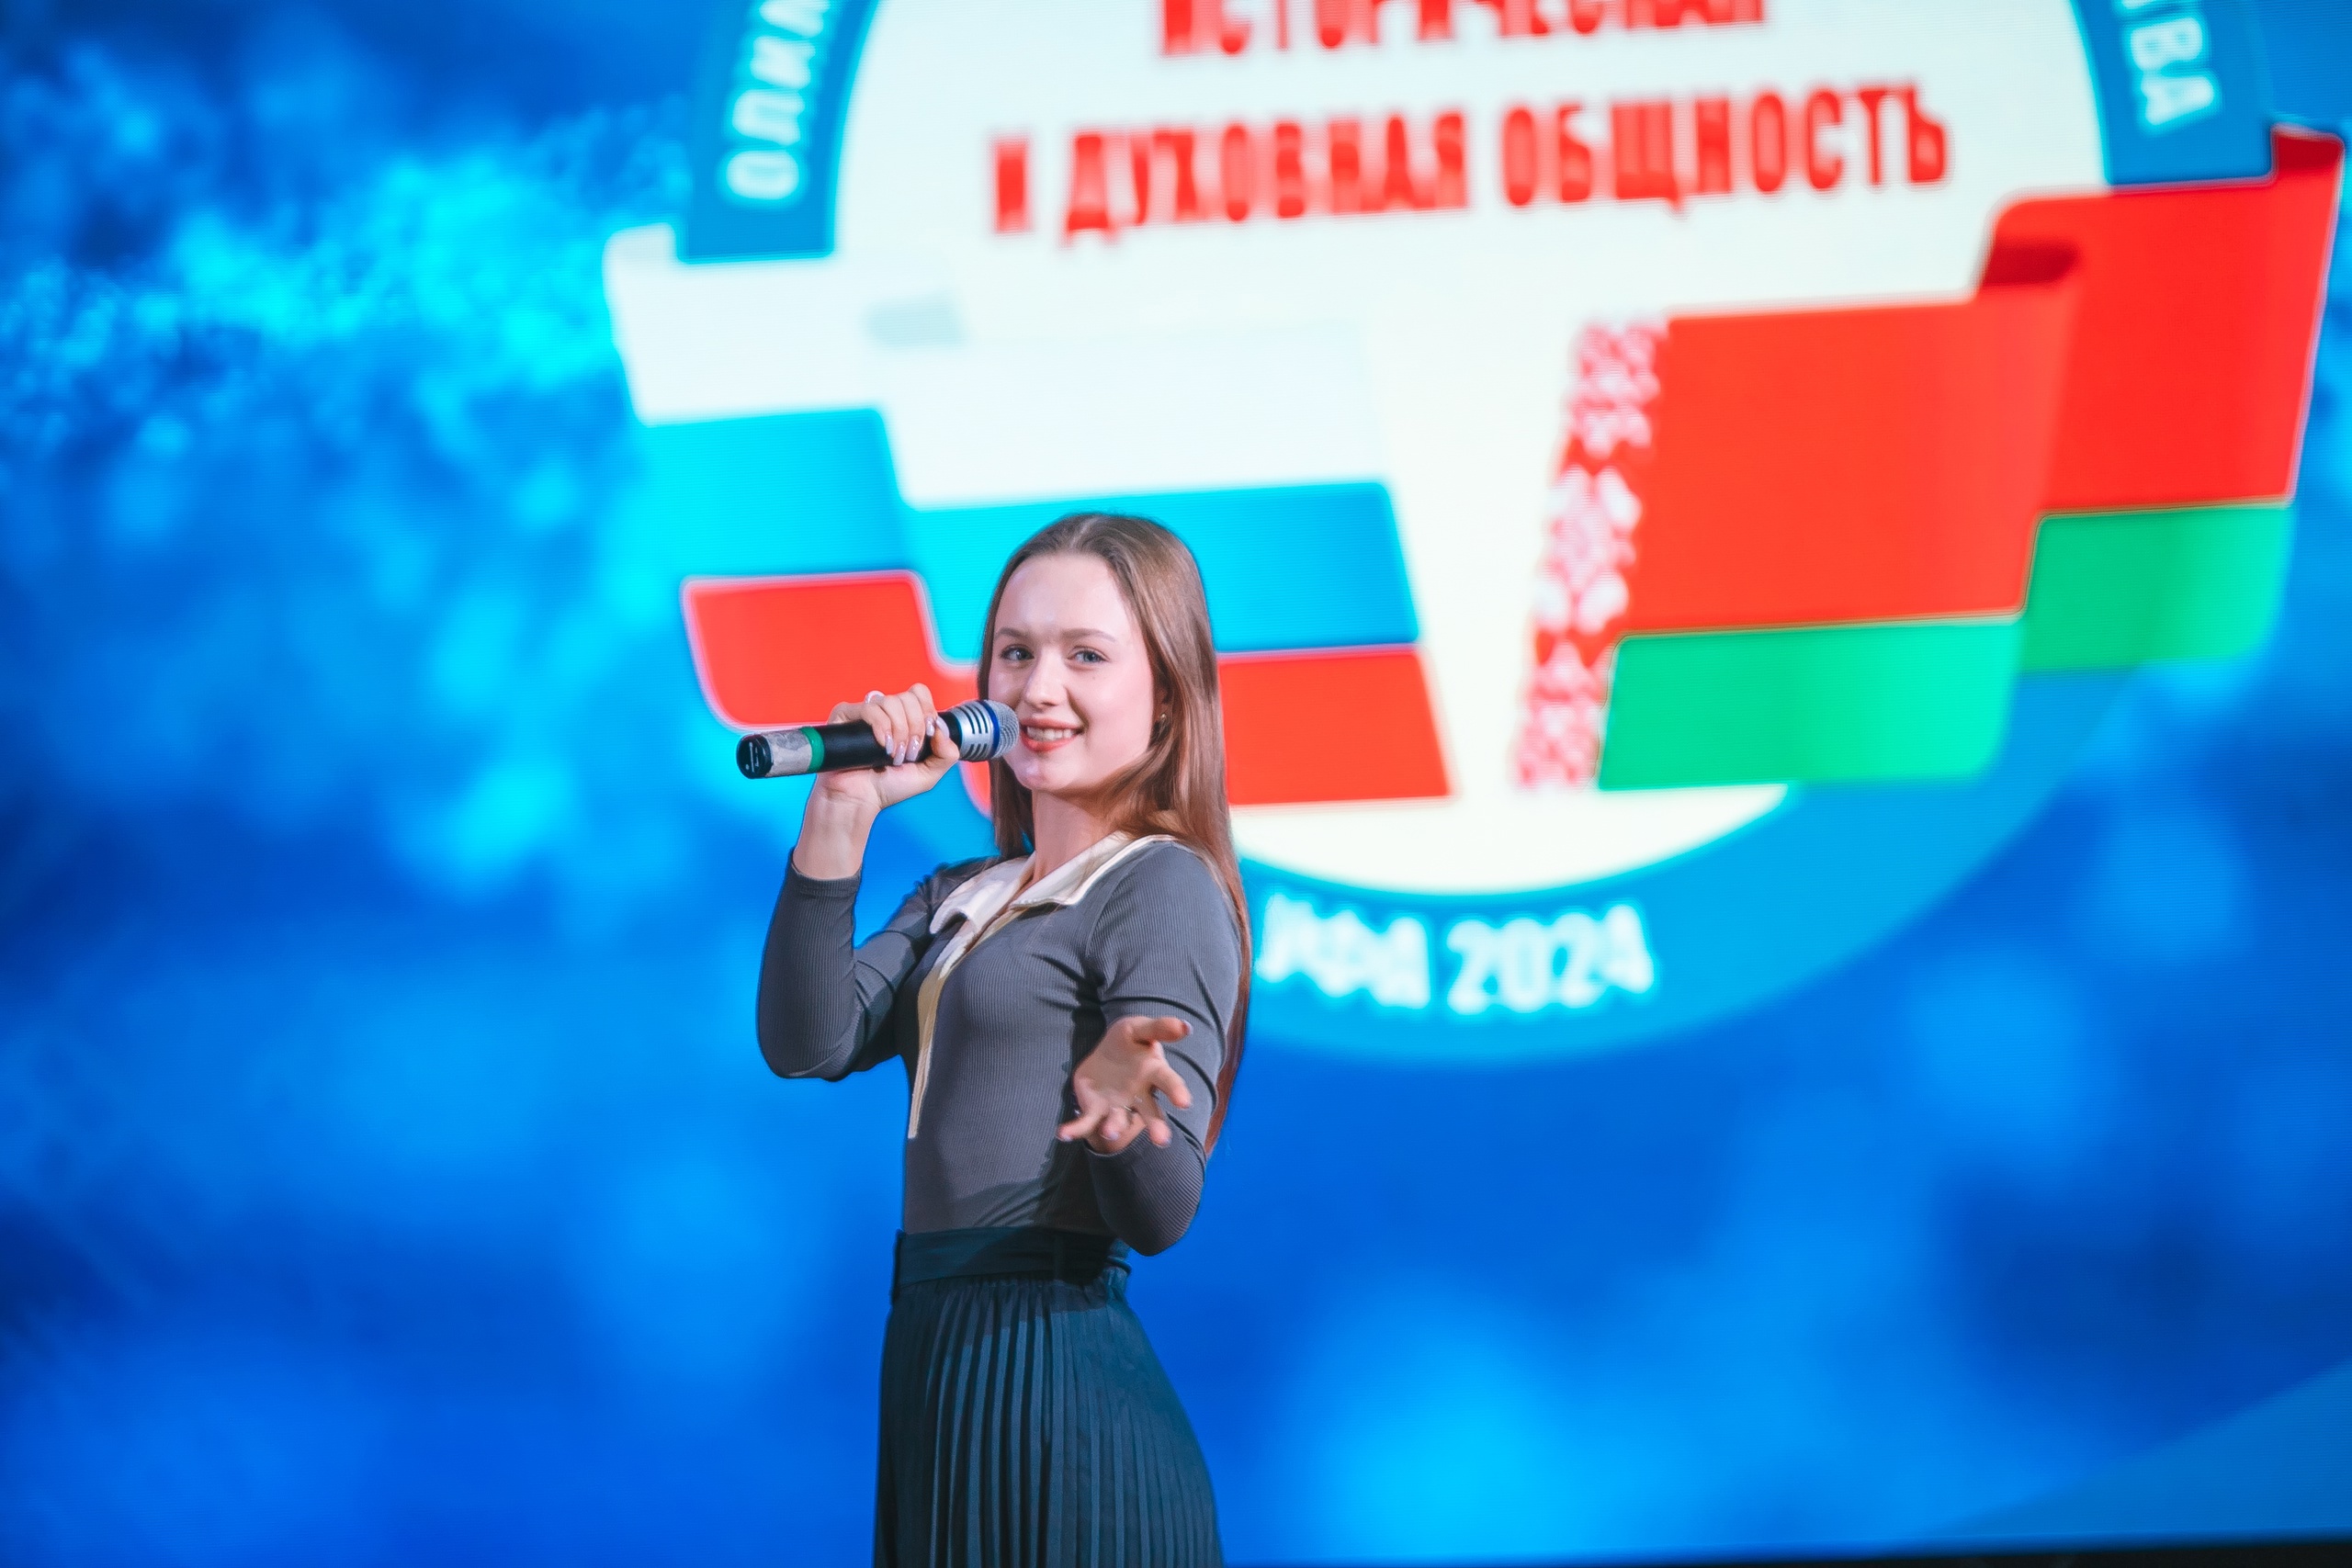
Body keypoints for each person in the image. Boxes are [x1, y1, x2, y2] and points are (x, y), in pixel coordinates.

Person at [756, 513, 1250, 1568]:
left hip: (1059, 1391)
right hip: (936, 1364)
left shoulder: (1158, 884)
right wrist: (840, 811)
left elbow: (1163, 1215)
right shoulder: (960, 894)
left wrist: (1120, 1122)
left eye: (1086, 656)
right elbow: (807, 1041)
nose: (1037, 689)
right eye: (1015, 653)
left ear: (1167, 696)